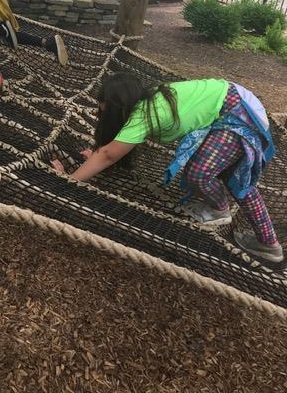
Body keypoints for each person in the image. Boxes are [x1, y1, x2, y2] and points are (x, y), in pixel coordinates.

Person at [52, 73, 284, 264]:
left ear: (117, 108)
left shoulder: (146, 115)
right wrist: (95, 155)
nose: (100, 114)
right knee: (236, 179)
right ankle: (269, 244)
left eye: (104, 111)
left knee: (199, 173)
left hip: (238, 112)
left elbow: (109, 154)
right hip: (238, 102)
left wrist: (70, 179)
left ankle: (219, 209)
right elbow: (112, 148)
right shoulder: (151, 99)